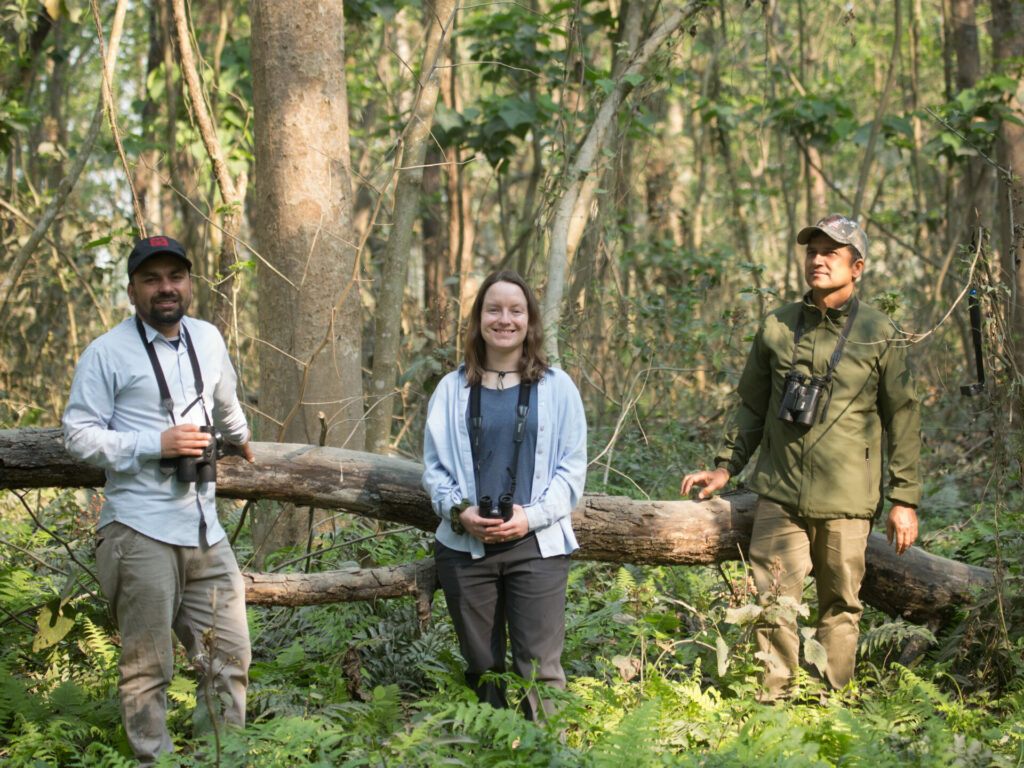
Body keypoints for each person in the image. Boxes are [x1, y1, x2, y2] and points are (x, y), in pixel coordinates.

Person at [681, 214, 921, 699]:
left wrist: (904, 499)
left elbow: (904, 417)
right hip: (780, 493)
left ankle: (826, 705)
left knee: (840, 605)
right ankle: (776, 706)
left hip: (848, 498)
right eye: (812, 251)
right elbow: (753, 404)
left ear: (857, 267)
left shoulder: (879, 331)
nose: (818, 260)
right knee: (774, 603)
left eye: (831, 253)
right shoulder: (777, 324)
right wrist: (726, 465)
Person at [63, 235, 255, 765]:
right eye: (152, 279)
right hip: (140, 530)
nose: (165, 288)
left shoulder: (209, 337)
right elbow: (78, 435)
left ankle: (221, 758)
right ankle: (156, 762)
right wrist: (156, 445)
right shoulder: (107, 352)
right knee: (149, 671)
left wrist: (240, 436)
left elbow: (226, 400)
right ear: (131, 291)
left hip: (205, 530)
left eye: (175, 277)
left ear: (189, 284)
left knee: (230, 658)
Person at [422, 270, 587, 720]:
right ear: (478, 320)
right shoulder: (451, 389)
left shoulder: (557, 388)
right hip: (465, 548)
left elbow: (572, 471)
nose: (505, 319)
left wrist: (530, 518)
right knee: (483, 668)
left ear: (529, 320)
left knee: (539, 670)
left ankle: (545, 752)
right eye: (493, 309)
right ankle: (491, 749)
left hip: (538, 547)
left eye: (516, 310)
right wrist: (460, 513)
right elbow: (434, 471)